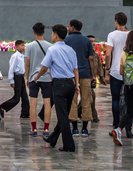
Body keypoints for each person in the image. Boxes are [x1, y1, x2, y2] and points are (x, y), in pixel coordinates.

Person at [33, 24, 80, 152]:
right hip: (70, 84)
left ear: (55, 34)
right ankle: (53, 138)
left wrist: (37, 76)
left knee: (63, 116)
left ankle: (69, 145)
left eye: (52, 33)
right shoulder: (71, 50)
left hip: (60, 84)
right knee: (64, 114)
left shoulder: (52, 50)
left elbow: (44, 67)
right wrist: (77, 85)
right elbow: (76, 69)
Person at [63, 19, 95, 137]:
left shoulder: (66, 40)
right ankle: (85, 128)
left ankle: (75, 128)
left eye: (68, 26)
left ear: (72, 27)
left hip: (71, 74)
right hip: (85, 73)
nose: (67, 28)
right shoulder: (87, 40)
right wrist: (93, 75)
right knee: (86, 99)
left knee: (72, 100)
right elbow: (91, 59)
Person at [103, 12, 129, 135]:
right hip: (129, 70)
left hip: (115, 71)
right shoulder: (131, 34)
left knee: (115, 99)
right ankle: (128, 128)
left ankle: (116, 127)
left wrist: (107, 69)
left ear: (116, 21)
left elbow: (108, 54)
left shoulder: (112, 35)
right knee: (129, 100)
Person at [25, 22, 53, 137]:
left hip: (33, 77)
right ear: (44, 32)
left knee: (33, 103)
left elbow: (27, 63)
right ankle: (46, 129)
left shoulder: (30, 46)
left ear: (33, 33)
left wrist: (27, 77)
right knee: (47, 103)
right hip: (47, 77)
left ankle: (34, 128)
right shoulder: (50, 46)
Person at [0, 40, 29, 122]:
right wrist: (11, 80)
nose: (24, 47)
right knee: (17, 98)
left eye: (24, 45)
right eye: (22, 45)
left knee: (25, 97)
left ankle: (25, 114)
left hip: (21, 77)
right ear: (17, 46)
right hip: (17, 77)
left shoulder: (22, 56)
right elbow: (11, 68)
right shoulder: (15, 56)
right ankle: (3, 107)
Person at [84, 34, 104, 123]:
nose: (93, 43)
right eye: (91, 41)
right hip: (84, 78)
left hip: (92, 79)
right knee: (91, 96)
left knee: (87, 97)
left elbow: (99, 67)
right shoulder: (83, 54)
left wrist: (102, 78)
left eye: (94, 41)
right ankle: (94, 116)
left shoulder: (95, 54)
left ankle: (76, 112)